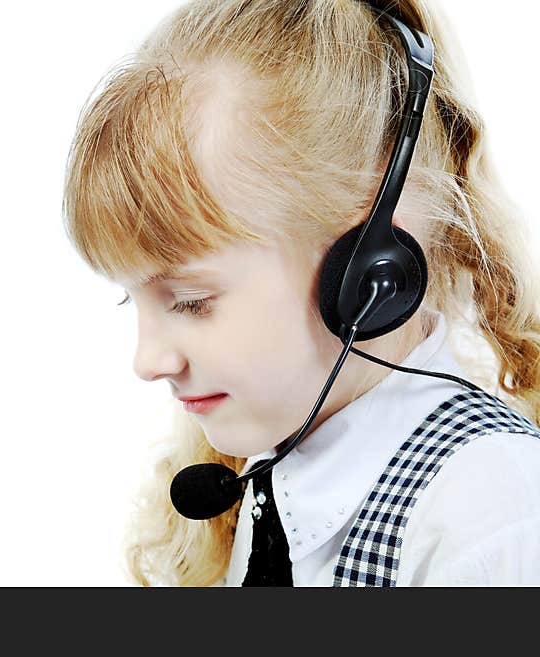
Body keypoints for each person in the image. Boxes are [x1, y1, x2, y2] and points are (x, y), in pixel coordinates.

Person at [62, 0, 540, 586]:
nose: (148, 361)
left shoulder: (489, 517)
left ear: (369, 263)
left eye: (191, 301)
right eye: (129, 300)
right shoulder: (260, 483)